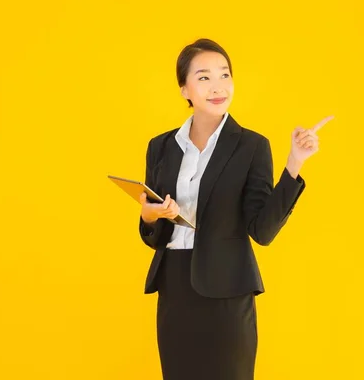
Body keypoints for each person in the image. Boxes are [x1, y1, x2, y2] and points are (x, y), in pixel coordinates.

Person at [138, 38, 333, 380]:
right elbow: (154, 234)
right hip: (175, 289)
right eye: (204, 77)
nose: (218, 86)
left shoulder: (252, 146)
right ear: (184, 88)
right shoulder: (161, 146)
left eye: (224, 75)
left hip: (227, 291)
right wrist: (150, 215)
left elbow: (262, 230)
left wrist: (293, 166)